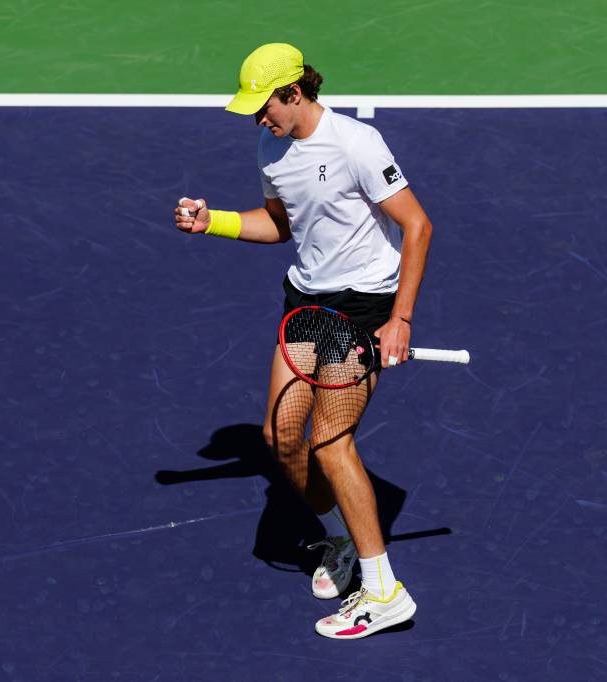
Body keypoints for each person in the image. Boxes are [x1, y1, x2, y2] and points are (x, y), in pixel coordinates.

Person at [172, 42, 433, 640]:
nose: (259, 118)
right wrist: (213, 221)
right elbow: (282, 226)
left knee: (331, 444)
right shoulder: (270, 145)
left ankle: (384, 591)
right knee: (281, 437)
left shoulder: (355, 145)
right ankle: (340, 539)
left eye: (265, 105)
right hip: (307, 303)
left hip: (365, 305)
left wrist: (401, 319)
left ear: (294, 92)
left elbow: (417, 224)